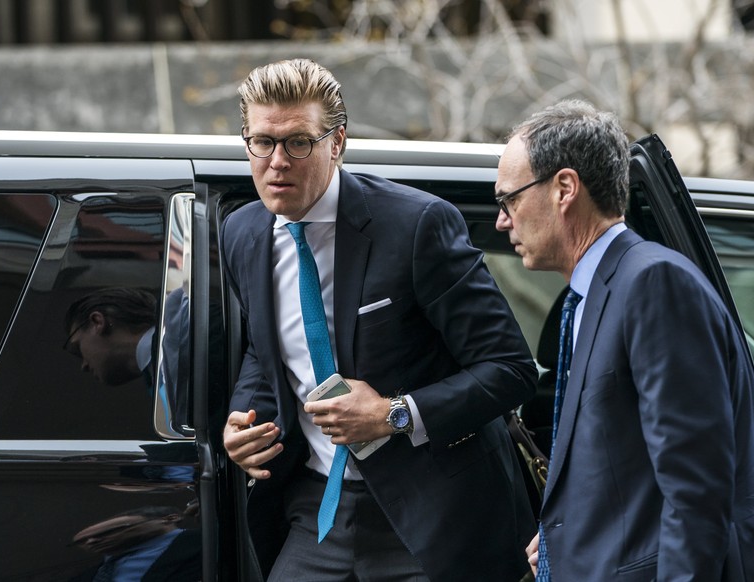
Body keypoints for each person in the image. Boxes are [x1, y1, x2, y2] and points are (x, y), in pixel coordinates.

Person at [220, 58, 538, 581]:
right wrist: (243, 421)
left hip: (430, 514)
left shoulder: (415, 226)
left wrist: (394, 413)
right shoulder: (242, 233)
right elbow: (265, 350)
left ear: (337, 142)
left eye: (298, 142)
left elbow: (509, 369)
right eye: (261, 142)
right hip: (316, 507)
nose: (277, 161)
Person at [495, 99, 754, 580]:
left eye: (509, 199)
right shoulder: (594, 296)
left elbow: (696, 490)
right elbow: (628, 470)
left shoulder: (653, 284)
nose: (503, 220)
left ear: (564, 188)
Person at [64, 286, 190, 433]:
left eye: (77, 349)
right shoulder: (161, 369)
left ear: (97, 322)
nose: (83, 366)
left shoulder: (184, 327)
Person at [70, 506, 201, 581]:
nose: (91, 541)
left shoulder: (207, 543)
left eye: (111, 530)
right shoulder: (86, 572)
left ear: (170, 519)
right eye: (82, 541)